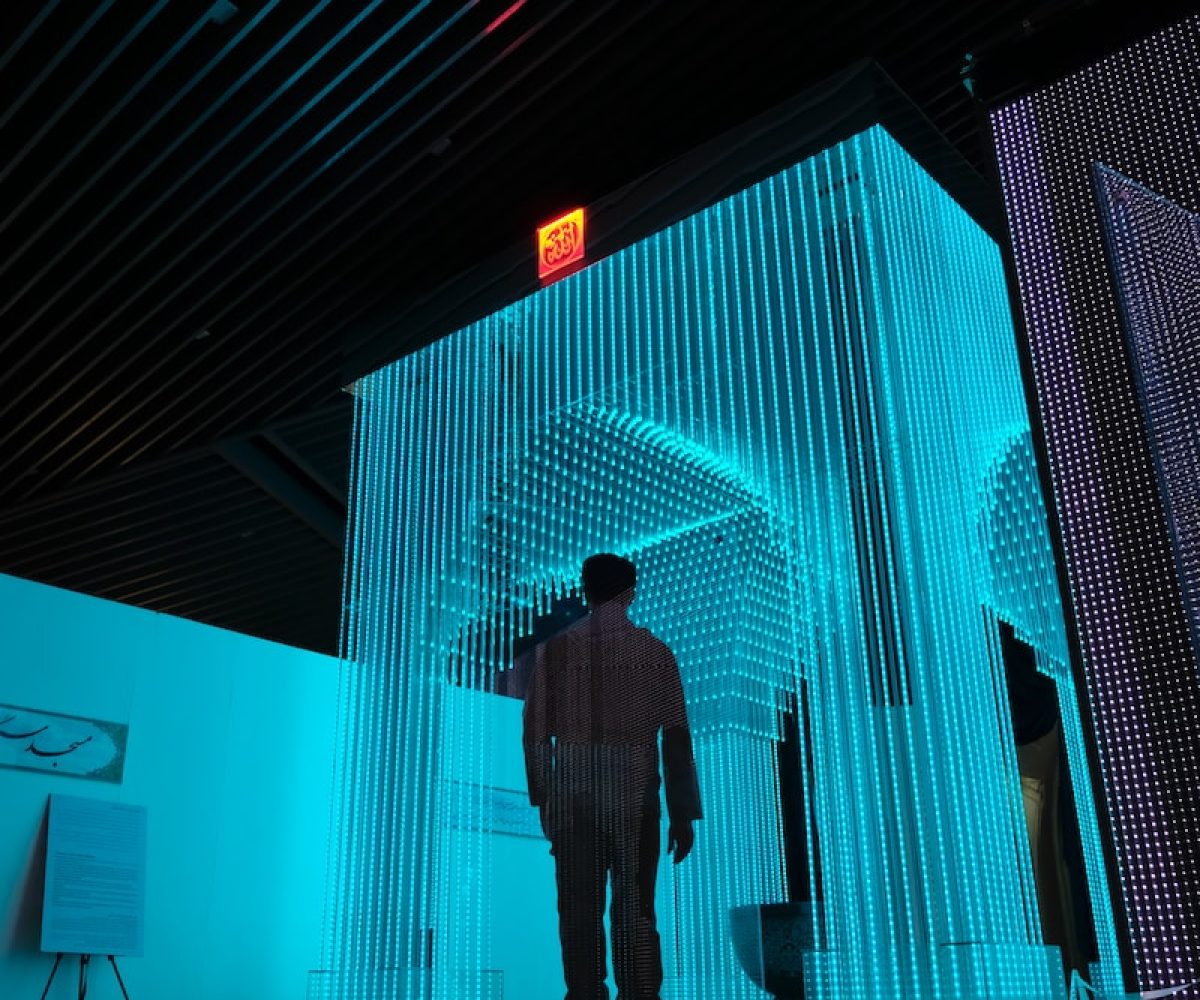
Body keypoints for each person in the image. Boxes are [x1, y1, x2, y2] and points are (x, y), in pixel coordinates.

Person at [524, 553, 702, 1000]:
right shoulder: (656, 652)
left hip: (574, 798)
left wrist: (544, 798)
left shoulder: (557, 650)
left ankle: (586, 994)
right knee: (635, 911)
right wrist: (683, 816)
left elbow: (534, 733)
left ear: (586, 590)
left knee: (579, 911)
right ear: (632, 592)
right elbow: (676, 738)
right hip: (635, 796)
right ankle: (640, 994)